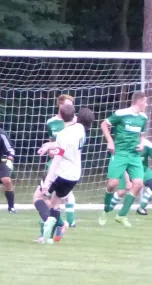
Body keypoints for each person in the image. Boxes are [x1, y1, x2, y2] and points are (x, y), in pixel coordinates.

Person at [35, 105, 95, 244]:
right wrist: (49, 146)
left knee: (38, 197)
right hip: (74, 175)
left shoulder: (64, 133)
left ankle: (48, 232)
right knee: (54, 204)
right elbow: (63, 144)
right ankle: (50, 234)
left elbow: (57, 159)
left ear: (60, 116)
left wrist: (48, 182)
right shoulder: (80, 129)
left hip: (62, 173)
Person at [99, 91, 148, 228]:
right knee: (112, 184)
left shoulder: (143, 118)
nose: (147, 104)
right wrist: (110, 141)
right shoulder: (121, 114)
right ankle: (106, 209)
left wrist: (141, 144)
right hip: (120, 153)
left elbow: (142, 135)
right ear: (139, 102)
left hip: (134, 155)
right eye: (145, 101)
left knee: (138, 184)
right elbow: (104, 124)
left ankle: (121, 215)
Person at [44, 95, 77, 227]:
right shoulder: (51, 122)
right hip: (55, 161)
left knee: (66, 192)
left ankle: (68, 221)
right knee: (47, 193)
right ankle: (54, 217)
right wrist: (50, 150)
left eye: (72, 105)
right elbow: (52, 141)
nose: (70, 107)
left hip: (68, 162)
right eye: (68, 105)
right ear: (60, 105)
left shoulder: (75, 122)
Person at [104, 139, 152, 215]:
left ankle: (141, 208)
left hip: (143, 170)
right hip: (125, 170)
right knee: (122, 192)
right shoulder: (125, 144)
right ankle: (108, 209)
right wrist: (128, 181)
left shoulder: (147, 144)